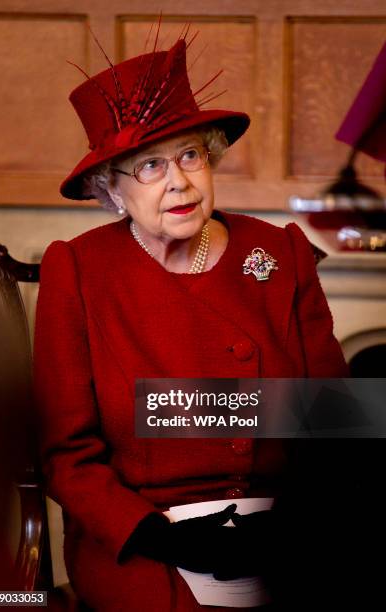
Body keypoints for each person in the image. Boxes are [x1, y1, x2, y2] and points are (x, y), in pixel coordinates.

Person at [34, 26, 349, 611]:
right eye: (150, 166)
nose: (178, 180)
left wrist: (292, 525)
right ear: (112, 189)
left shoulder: (281, 251)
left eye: (189, 155)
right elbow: (66, 455)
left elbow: (337, 422)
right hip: (149, 540)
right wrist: (161, 536)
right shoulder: (78, 268)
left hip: (284, 530)